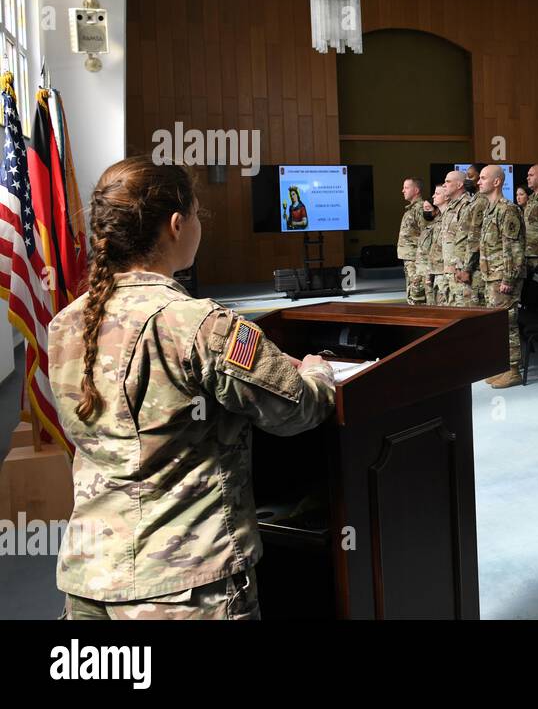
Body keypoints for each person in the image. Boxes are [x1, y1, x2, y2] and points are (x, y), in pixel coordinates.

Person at [49, 157, 336, 620]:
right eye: (198, 214)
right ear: (177, 225)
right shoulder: (201, 325)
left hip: (89, 579)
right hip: (183, 589)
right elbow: (296, 407)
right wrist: (318, 372)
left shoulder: (66, 323)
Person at [477, 166, 526, 388]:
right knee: (498, 324)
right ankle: (504, 366)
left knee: (507, 323)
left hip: (502, 277)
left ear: (497, 182)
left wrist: (508, 278)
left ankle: (514, 369)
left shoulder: (507, 210)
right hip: (491, 276)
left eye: (483, 178)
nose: (478, 182)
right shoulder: (490, 210)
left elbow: (512, 248)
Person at [441, 170, 488, 307]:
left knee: (465, 313)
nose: (444, 185)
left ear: (459, 185)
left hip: (464, 271)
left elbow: (470, 238)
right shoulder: (450, 206)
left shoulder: (467, 205)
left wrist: (464, 268)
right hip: (451, 269)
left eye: (448, 182)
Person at [397, 177, 431, 305]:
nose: (402, 190)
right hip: (410, 259)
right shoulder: (412, 209)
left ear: (416, 190)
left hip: (417, 259)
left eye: (406, 187)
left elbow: (426, 234)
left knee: (417, 295)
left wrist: (421, 258)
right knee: (412, 292)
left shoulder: (421, 209)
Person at [413, 186, 445, 306]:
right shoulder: (427, 228)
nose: (425, 211)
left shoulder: (437, 227)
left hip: (430, 273)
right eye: (424, 208)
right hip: (421, 273)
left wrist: (428, 276)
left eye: (428, 208)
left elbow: (432, 253)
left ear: (436, 210)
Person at [428, 185, 452, 305]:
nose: (433, 196)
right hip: (437, 271)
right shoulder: (439, 218)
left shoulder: (451, 217)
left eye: (437, 193)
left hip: (446, 272)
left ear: (446, 196)